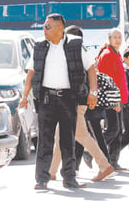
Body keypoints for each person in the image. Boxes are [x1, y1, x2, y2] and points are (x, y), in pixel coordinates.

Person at [19, 13, 97, 190]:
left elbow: (91, 68)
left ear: (60, 28)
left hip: (69, 99)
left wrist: (93, 92)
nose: (44, 30)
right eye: (44, 26)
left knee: (67, 140)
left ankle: (69, 178)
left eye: (48, 27)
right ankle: (41, 179)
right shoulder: (39, 46)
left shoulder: (76, 44)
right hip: (46, 99)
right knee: (44, 141)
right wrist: (25, 96)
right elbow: (31, 73)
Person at [48, 25, 114, 182]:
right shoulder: (79, 52)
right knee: (59, 136)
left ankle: (104, 165)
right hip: (72, 101)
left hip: (75, 102)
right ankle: (51, 171)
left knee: (81, 135)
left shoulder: (78, 53)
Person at [97, 28, 129, 171]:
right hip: (111, 99)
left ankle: (113, 161)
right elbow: (107, 80)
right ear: (109, 39)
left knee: (118, 131)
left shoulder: (116, 54)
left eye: (119, 37)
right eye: (115, 37)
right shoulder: (108, 55)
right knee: (113, 129)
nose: (117, 40)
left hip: (119, 98)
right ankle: (94, 151)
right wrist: (114, 100)